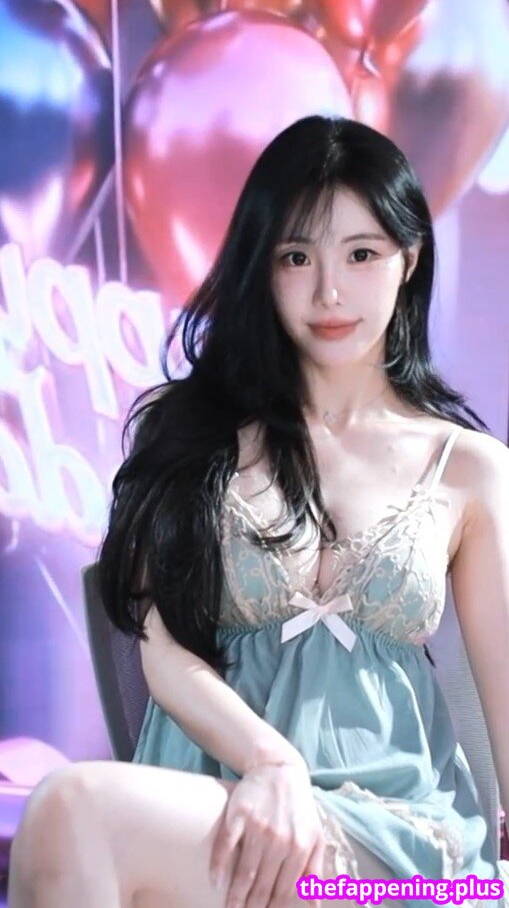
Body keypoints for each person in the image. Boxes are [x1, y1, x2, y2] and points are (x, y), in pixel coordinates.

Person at [8, 115, 509, 908]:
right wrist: (271, 763)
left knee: (73, 809)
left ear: (408, 260)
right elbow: (164, 653)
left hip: (393, 845)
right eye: (295, 257)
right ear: (261, 268)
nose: (328, 291)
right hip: (219, 808)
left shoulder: (470, 469)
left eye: (361, 254)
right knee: (71, 813)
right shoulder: (191, 434)